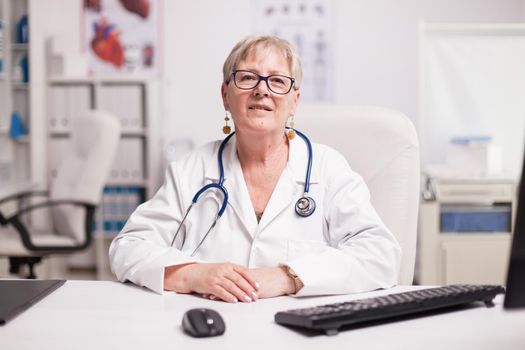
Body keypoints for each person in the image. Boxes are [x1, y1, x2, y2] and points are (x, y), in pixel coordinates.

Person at [109, 35, 401, 303]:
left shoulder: (328, 168)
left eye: (277, 81)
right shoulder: (192, 169)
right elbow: (128, 247)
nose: (262, 90)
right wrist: (193, 274)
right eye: (247, 78)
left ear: (294, 102)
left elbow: (381, 256)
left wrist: (287, 277)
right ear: (225, 95)